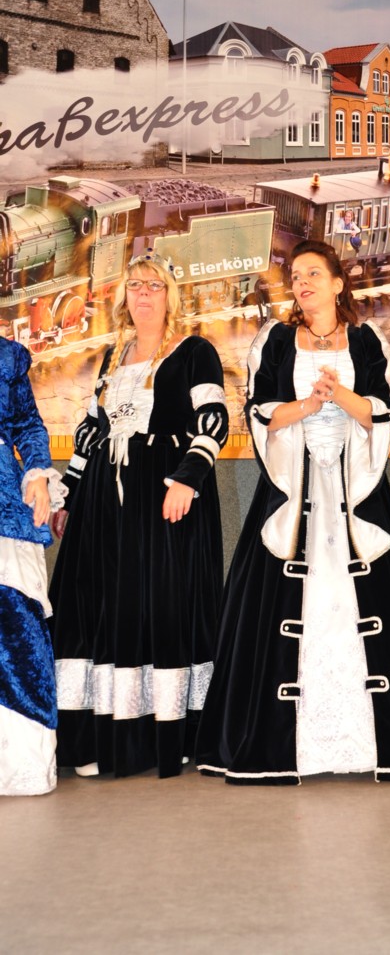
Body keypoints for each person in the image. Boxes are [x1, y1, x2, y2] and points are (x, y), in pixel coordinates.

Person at [195, 239, 390, 784]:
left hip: (358, 492)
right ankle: (280, 742)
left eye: (313, 273)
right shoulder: (274, 340)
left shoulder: (367, 338)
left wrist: (340, 395)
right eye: (296, 276)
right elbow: (260, 412)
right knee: (268, 615)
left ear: (337, 283)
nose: (302, 283)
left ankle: (378, 741)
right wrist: (308, 404)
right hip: (292, 489)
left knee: (384, 614)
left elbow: (383, 411)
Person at [49, 254, 229, 779]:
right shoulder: (113, 356)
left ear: (171, 295)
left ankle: (165, 735)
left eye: (154, 285)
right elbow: (91, 433)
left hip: (164, 495)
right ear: (124, 295)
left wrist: (187, 479)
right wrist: (69, 496)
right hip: (105, 501)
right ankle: (98, 737)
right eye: (135, 285)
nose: (144, 293)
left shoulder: (194, 351)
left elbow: (213, 420)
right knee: (96, 604)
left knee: (161, 606)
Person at [0, 337, 66, 796]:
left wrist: (38, 474)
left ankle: (20, 765)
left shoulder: (7, 357)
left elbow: (27, 423)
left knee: (19, 629)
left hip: (4, 504)